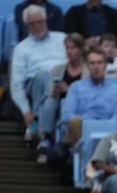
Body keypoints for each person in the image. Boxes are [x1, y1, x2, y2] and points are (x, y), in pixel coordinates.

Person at [10, 5, 67, 135]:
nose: (37, 26)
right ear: (26, 25)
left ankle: (37, 126)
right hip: (35, 84)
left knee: (53, 81)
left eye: (40, 22)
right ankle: (36, 119)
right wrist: (26, 111)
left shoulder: (62, 39)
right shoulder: (21, 48)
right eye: (32, 23)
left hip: (61, 81)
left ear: (46, 20)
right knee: (42, 75)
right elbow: (16, 84)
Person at [59, 48, 117, 149]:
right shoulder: (76, 87)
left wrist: (100, 127)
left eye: (100, 63)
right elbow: (68, 115)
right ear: (87, 66)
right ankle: (81, 159)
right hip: (81, 129)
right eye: (92, 63)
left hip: (106, 130)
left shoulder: (115, 90)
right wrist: (88, 125)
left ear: (106, 65)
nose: (96, 67)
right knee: (75, 122)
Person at [37, 31, 86, 160]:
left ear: (81, 50)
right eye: (67, 48)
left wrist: (69, 90)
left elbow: (89, 94)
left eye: (73, 48)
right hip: (58, 103)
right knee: (49, 101)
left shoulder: (88, 70)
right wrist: (55, 90)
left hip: (79, 106)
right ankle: (46, 139)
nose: (69, 51)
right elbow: (49, 92)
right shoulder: (57, 69)